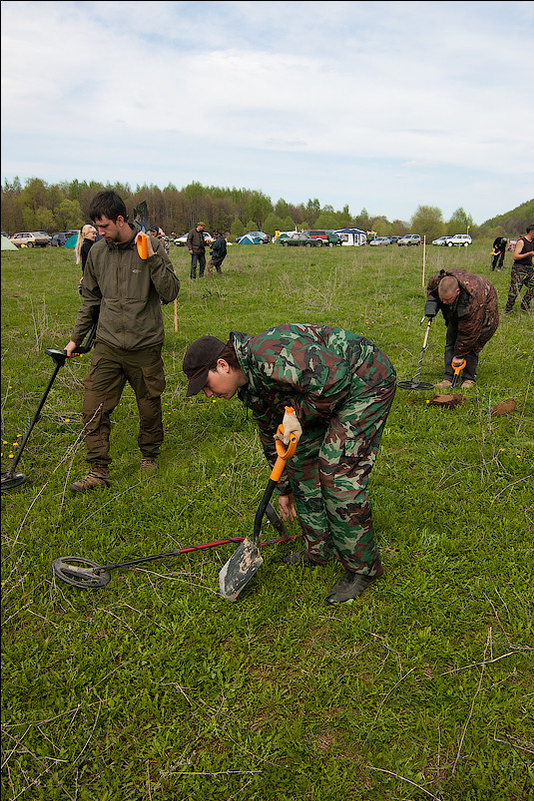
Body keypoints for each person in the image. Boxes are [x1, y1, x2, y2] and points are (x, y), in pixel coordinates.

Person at [182, 324, 397, 604]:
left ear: (222, 365)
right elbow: (275, 435)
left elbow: (336, 381)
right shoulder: (248, 384)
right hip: (319, 393)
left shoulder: (268, 354)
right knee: (301, 464)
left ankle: (362, 569)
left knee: (336, 473)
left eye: (206, 386)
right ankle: (319, 550)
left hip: (364, 381)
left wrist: (298, 414)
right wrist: (284, 487)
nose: (208, 395)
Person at [64, 190, 180, 492]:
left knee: (149, 405)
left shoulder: (151, 245)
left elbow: (170, 292)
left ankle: (149, 455)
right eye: (96, 228)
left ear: (120, 219)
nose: (99, 233)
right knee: (93, 407)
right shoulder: (98, 253)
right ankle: (97, 471)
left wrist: (152, 258)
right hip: (107, 344)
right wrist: (76, 338)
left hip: (145, 345)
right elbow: (90, 298)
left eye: (104, 227)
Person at [425, 268, 499, 389]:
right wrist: (431, 305)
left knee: (472, 345)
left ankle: (469, 378)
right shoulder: (437, 281)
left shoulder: (474, 299)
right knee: (451, 341)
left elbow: (469, 334)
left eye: (447, 299)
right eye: (442, 298)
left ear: (458, 291)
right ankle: (448, 378)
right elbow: (432, 292)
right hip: (458, 310)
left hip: (483, 315)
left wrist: (459, 355)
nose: (443, 302)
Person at [505, 224, 534, 313]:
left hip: (529, 269)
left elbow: (531, 255)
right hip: (519, 269)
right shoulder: (521, 242)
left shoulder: (532, 241)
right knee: (515, 290)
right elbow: (515, 256)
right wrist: (528, 254)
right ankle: (508, 308)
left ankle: (524, 305)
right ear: (531, 232)